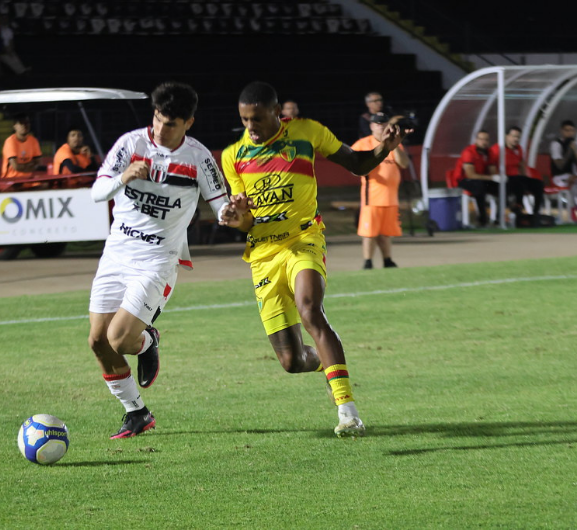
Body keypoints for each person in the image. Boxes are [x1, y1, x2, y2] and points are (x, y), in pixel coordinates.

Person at [219, 81, 410, 438]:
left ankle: (347, 411)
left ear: (278, 113)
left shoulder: (307, 132)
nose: (251, 127)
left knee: (310, 310)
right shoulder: (234, 156)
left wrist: (384, 147)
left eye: (257, 119)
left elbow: (356, 163)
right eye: (245, 120)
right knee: (291, 362)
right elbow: (246, 221)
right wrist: (237, 217)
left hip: (303, 238)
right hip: (263, 254)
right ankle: (326, 362)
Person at [87, 82, 231, 439]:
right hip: (117, 253)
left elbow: (221, 206)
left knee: (119, 339)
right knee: (97, 341)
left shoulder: (199, 158)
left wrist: (232, 212)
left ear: (188, 123)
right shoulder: (131, 144)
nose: (159, 129)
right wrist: (124, 177)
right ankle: (137, 413)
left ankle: (147, 340)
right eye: (157, 119)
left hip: (158, 260)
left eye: (170, 124)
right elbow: (96, 191)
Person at [352, 112, 409, 269]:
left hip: (391, 198)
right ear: (371, 126)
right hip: (372, 197)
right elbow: (355, 168)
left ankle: (387, 260)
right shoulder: (362, 144)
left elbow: (404, 164)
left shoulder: (395, 142)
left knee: (385, 232)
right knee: (369, 232)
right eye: (378, 123)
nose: (381, 126)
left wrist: (395, 146)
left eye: (384, 123)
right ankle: (368, 261)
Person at [489, 126, 544, 220]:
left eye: (518, 137)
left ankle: (535, 214)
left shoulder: (519, 149)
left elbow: (522, 166)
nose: (516, 139)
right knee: (518, 184)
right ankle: (516, 209)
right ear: (506, 136)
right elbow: (492, 168)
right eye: (514, 136)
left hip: (516, 178)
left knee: (538, 184)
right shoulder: (496, 149)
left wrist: (525, 178)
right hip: (503, 179)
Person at [450, 130, 499, 227]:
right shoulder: (469, 152)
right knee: (479, 187)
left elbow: (492, 170)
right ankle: (482, 219)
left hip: (480, 180)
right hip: (463, 180)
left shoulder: (489, 153)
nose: (484, 142)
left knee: (500, 187)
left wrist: (498, 178)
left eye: (486, 140)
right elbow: (470, 175)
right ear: (476, 140)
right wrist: (492, 177)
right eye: (481, 139)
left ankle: (498, 219)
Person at [549, 120, 577, 222]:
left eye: (571, 130)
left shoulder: (574, 144)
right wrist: (569, 151)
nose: (569, 133)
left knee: (574, 186)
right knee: (572, 184)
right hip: (558, 177)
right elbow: (560, 165)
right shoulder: (556, 144)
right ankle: (572, 215)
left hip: (572, 176)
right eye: (567, 130)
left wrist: (574, 151)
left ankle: (573, 213)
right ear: (561, 131)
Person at [1, 113, 42, 179]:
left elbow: (39, 163)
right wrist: (30, 165)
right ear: (14, 126)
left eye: (27, 123)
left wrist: (23, 167)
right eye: (21, 123)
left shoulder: (33, 141)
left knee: (46, 185)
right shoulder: (10, 142)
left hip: (27, 180)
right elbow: (16, 167)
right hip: (11, 180)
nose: (24, 125)